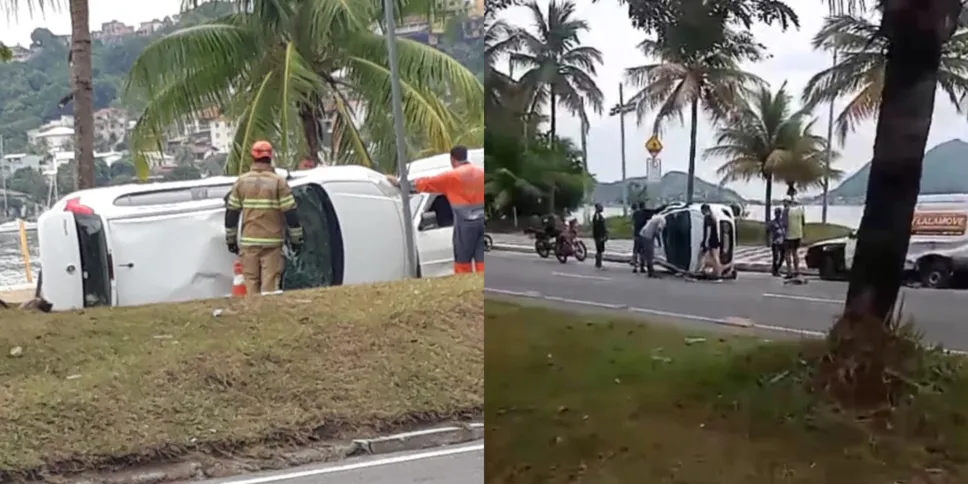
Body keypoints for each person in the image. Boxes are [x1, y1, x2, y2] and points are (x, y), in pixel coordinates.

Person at [386, 145, 484, 273]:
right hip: (482, 221)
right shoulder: (481, 172)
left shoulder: (451, 177)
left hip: (465, 225)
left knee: (462, 263)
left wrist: (399, 183)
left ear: (452, 160)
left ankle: (468, 288)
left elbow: (426, 183)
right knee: (482, 261)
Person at [225, 140, 304, 295]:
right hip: (272, 244)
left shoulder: (242, 182)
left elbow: (231, 214)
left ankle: (252, 317)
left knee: (250, 286)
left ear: (252, 157)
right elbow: (290, 213)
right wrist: (297, 240)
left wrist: (231, 240)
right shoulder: (278, 182)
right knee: (269, 289)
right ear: (270, 157)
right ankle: (267, 316)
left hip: (249, 244)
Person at [783, 197, 806, 278]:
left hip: (789, 235)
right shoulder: (800, 210)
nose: (784, 204)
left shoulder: (786, 210)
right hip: (798, 234)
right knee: (795, 252)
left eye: (784, 202)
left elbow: (784, 224)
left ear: (788, 202)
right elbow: (803, 223)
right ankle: (797, 270)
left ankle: (789, 271)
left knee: (787, 253)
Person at [699, 203, 723, 279]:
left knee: (712, 257)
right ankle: (703, 269)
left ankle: (718, 274)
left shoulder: (708, 218)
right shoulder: (713, 217)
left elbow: (708, 231)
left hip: (711, 241)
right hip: (714, 240)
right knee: (713, 257)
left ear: (704, 210)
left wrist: (706, 243)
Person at [639, 213, 666, 277]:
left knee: (643, 252)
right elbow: (657, 231)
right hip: (648, 236)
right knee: (650, 254)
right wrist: (659, 241)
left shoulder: (656, 217)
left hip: (642, 234)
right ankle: (650, 272)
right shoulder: (663, 220)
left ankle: (642, 267)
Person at [767, 207, 786, 276]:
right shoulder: (772, 223)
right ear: (775, 214)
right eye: (777, 213)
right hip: (776, 242)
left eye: (779, 213)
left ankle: (777, 268)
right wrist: (769, 240)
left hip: (783, 242)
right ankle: (775, 271)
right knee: (776, 257)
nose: (778, 214)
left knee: (782, 257)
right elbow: (768, 231)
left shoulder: (783, 222)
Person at [631, 203, 649, 273]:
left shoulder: (635, 214)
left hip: (636, 234)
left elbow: (633, 222)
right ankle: (642, 267)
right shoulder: (645, 213)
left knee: (635, 251)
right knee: (642, 252)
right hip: (642, 235)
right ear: (644, 206)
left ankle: (635, 267)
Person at [591, 203, 608, 269]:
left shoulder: (598, 215)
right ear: (597, 208)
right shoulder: (597, 216)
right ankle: (598, 264)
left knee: (600, 250)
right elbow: (597, 227)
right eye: (601, 207)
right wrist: (601, 236)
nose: (602, 208)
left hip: (599, 235)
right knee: (599, 250)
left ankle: (598, 263)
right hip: (599, 236)